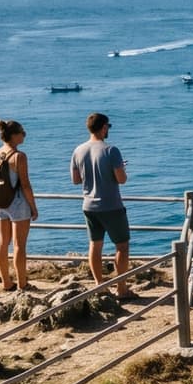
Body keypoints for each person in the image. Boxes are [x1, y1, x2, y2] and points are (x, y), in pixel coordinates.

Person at [70, 111, 134, 299]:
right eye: (108, 127)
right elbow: (121, 179)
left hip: (89, 206)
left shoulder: (78, 150)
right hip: (111, 205)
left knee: (95, 245)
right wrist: (119, 168)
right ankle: (121, 288)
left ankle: (99, 285)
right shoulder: (111, 150)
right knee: (122, 247)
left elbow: (75, 179)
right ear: (104, 127)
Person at [0, 119, 38, 293]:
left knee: (2, 242)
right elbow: (25, 184)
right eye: (22, 132)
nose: (24, 135)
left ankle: (6, 282)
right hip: (17, 203)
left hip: (0, 202)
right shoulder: (19, 156)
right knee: (19, 245)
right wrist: (33, 206)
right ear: (14, 135)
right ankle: (22, 284)